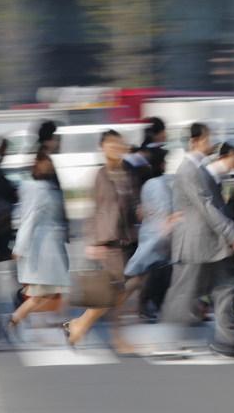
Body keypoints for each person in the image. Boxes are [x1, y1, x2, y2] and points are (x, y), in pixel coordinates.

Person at [160, 123, 234, 357]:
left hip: (211, 242)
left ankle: (231, 341)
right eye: (207, 138)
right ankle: (168, 341)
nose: (211, 142)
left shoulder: (199, 168)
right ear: (195, 141)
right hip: (193, 243)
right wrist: (232, 232)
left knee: (225, 290)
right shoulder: (188, 170)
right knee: (182, 293)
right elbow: (205, 207)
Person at [63, 130, 141, 354]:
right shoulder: (100, 175)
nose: (116, 147)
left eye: (119, 143)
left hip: (127, 239)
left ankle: (79, 324)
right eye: (111, 144)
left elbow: (136, 204)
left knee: (120, 290)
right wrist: (92, 242)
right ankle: (116, 338)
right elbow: (93, 210)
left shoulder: (129, 172)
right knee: (120, 288)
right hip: (107, 242)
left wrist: (156, 216)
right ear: (102, 148)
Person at [6, 152, 71, 338]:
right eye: (46, 162)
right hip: (44, 248)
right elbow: (29, 219)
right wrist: (19, 247)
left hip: (49, 246)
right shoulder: (40, 190)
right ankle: (16, 321)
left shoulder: (45, 187)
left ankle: (17, 320)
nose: (49, 166)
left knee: (49, 292)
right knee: (45, 292)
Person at [125, 148, 180, 322]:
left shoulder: (150, 183)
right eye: (165, 161)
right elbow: (165, 212)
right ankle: (120, 305)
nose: (167, 164)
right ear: (161, 163)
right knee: (144, 274)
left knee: (144, 273)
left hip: (151, 233)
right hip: (157, 236)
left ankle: (142, 307)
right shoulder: (157, 184)